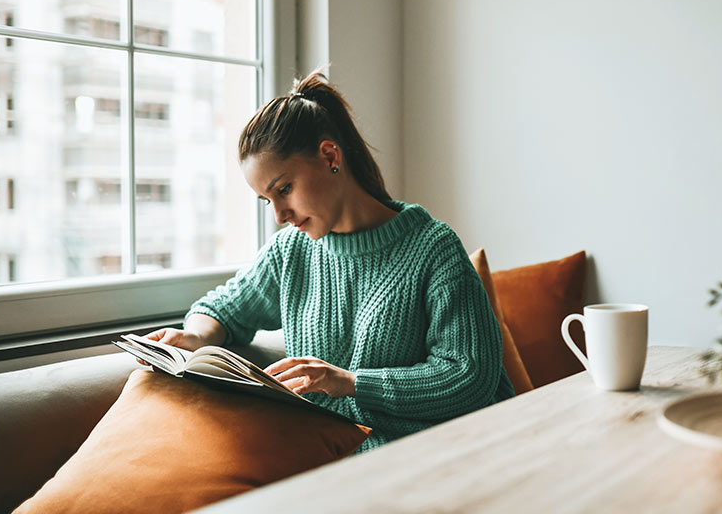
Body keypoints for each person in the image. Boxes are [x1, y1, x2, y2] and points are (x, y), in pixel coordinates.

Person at [146, 68, 514, 452]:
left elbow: (469, 377)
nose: (280, 215)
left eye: (284, 189)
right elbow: (220, 308)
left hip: (455, 453)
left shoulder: (432, 248)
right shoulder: (291, 252)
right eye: (267, 201)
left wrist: (350, 382)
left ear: (329, 155)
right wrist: (198, 336)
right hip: (343, 464)